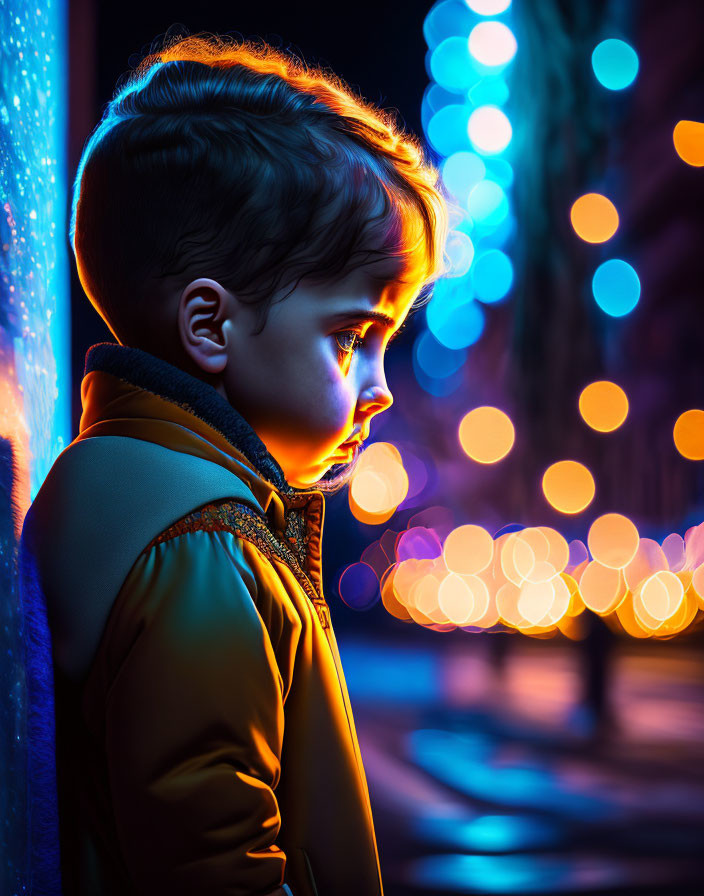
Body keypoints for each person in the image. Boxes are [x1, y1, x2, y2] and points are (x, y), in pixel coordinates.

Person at [18, 31, 449, 896]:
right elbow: (217, 865)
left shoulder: (118, 485)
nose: (381, 389)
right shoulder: (205, 547)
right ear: (210, 326)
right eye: (354, 337)